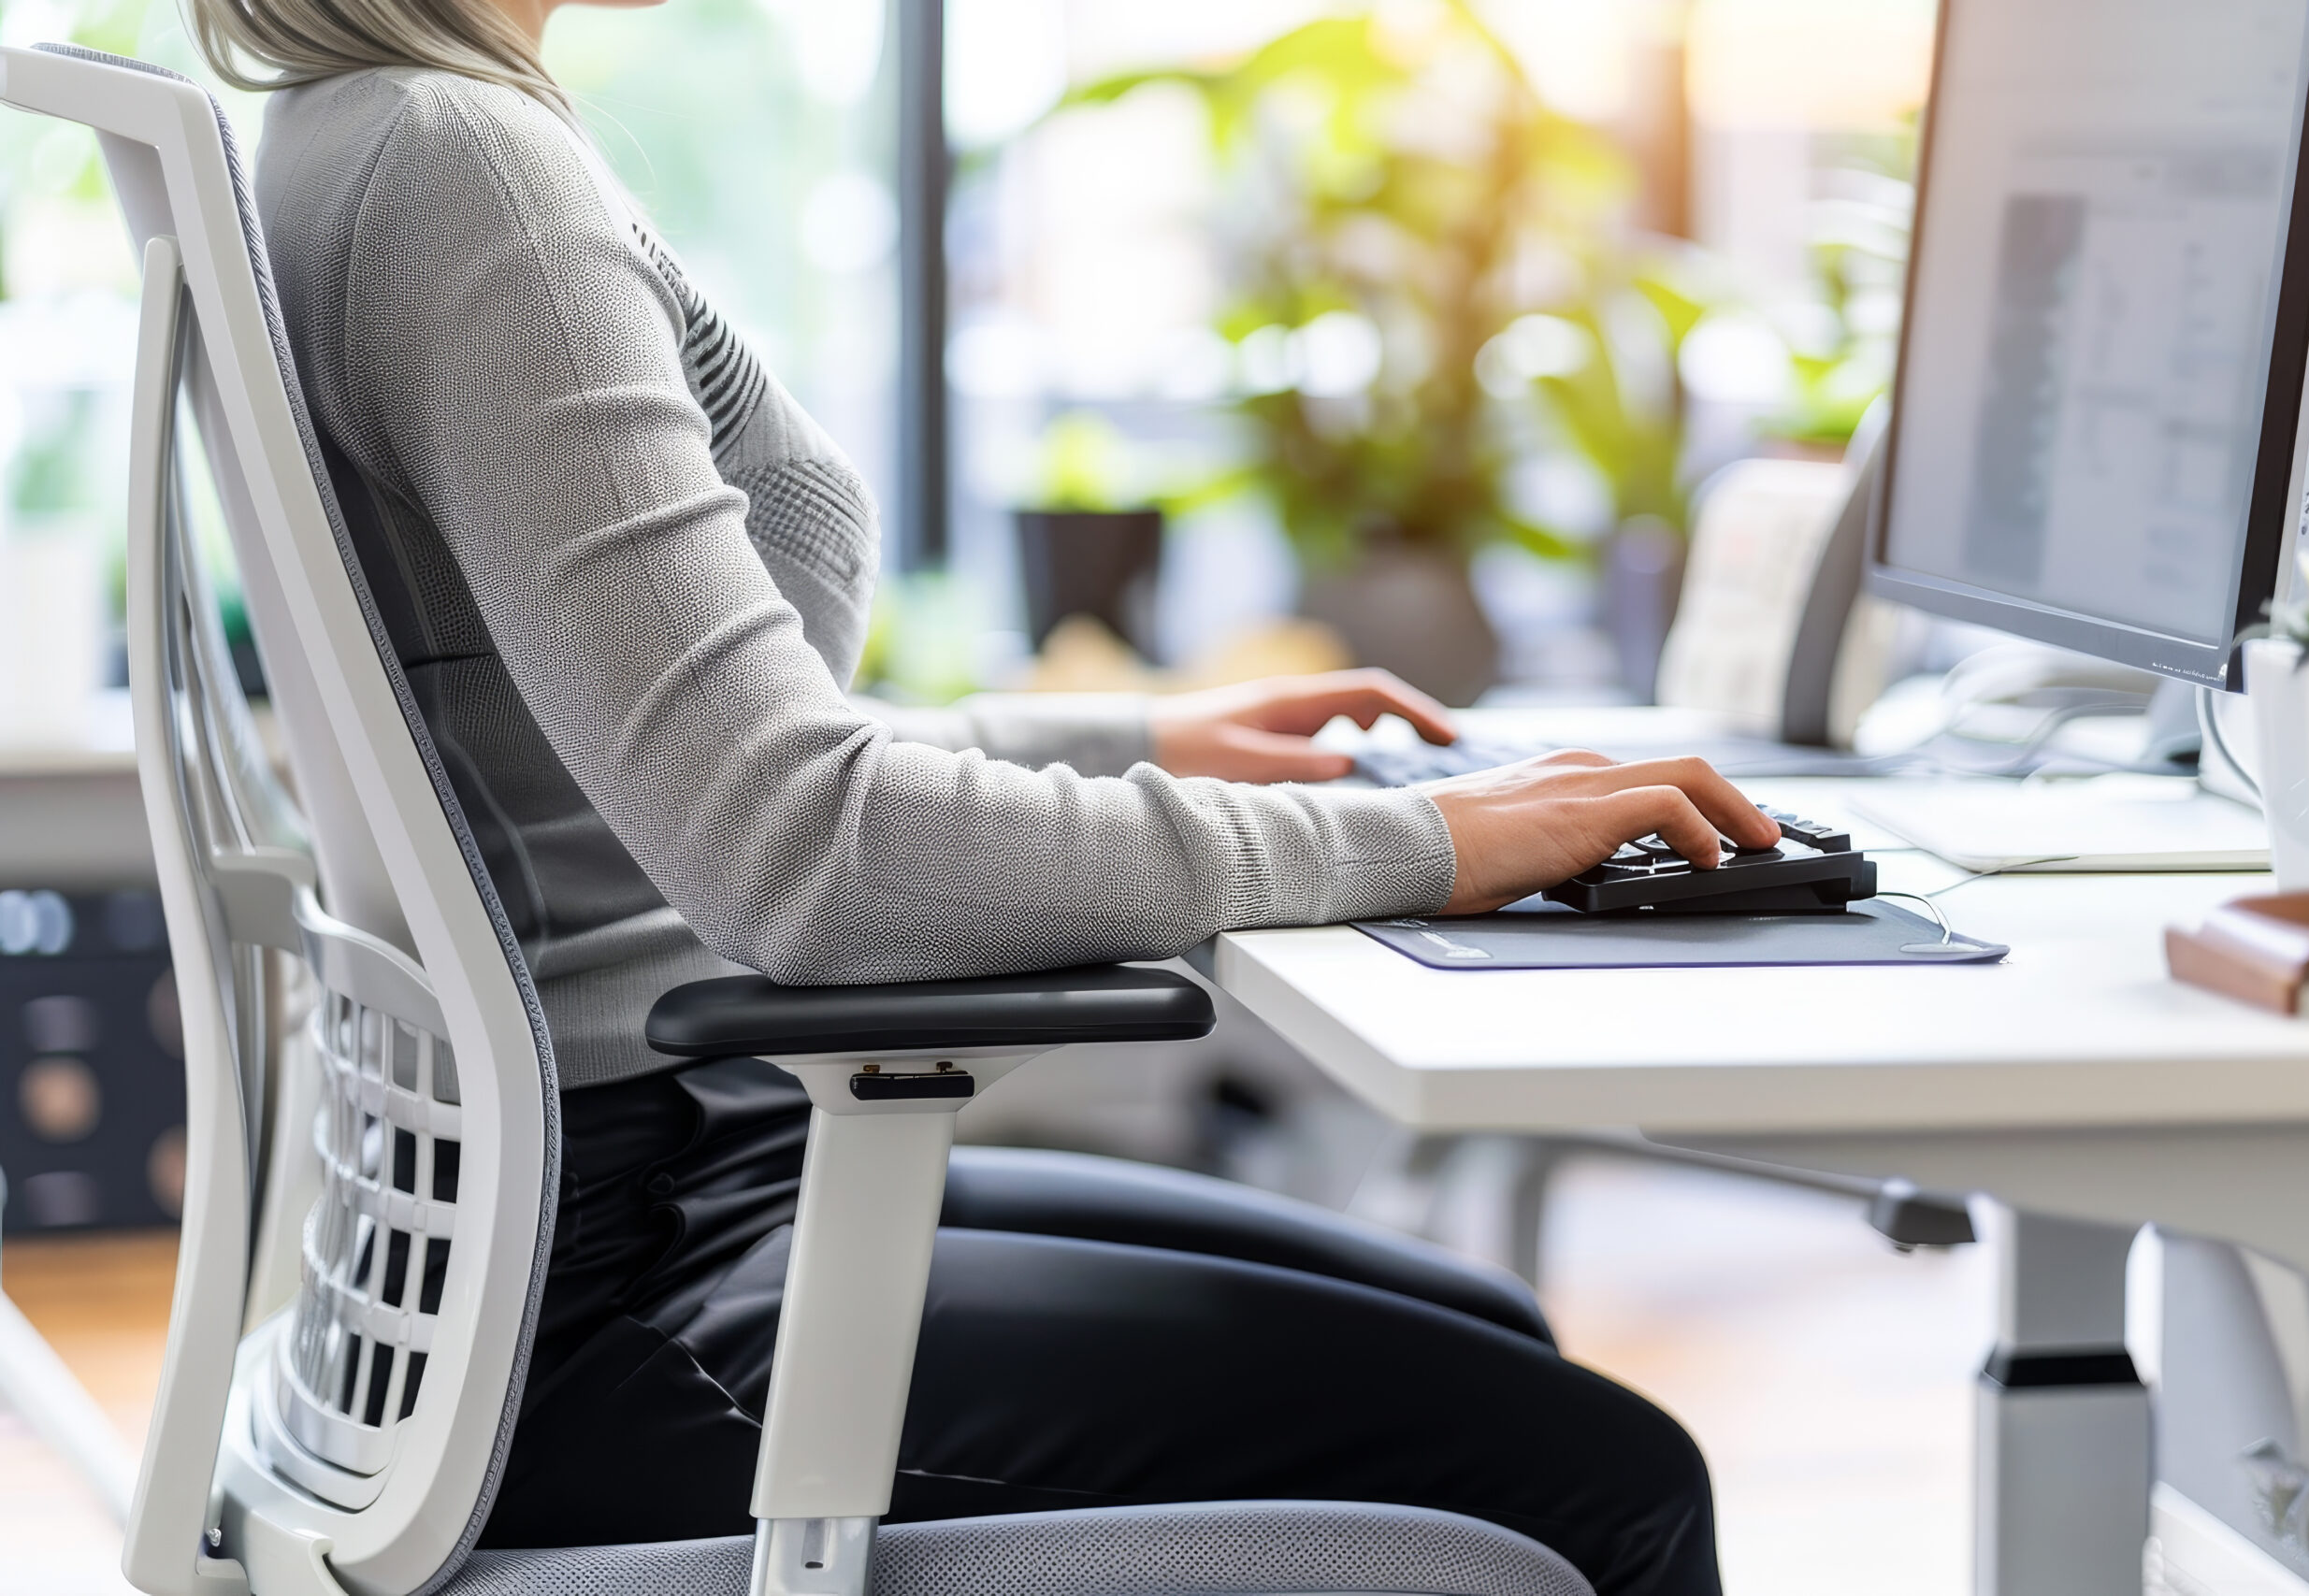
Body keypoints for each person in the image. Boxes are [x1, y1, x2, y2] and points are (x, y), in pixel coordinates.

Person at [194, 0, 1780, 1586]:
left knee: (1487, 1330)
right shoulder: (460, 168)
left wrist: (1137, 745)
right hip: (626, 1297)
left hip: (593, 1223)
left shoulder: (363, 137)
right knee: (1610, 1483)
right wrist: (1424, 841)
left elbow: (668, 748)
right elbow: (800, 855)